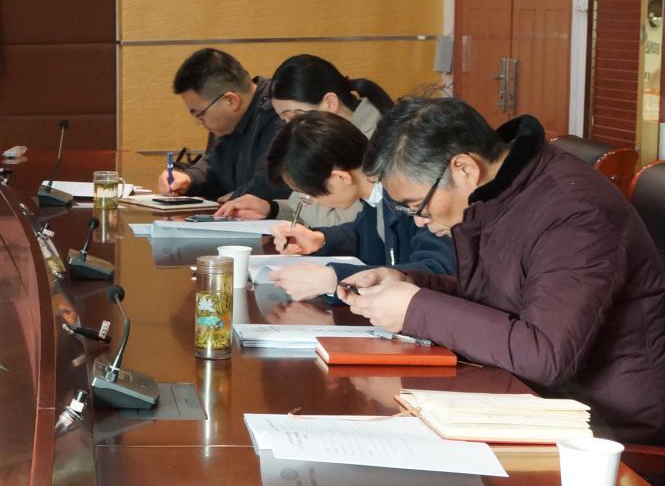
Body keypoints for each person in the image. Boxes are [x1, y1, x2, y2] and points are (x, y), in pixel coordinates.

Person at [341, 97, 665, 444]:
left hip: (599, 438)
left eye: (417, 205)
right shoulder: (501, 197)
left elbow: (545, 355)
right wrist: (412, 284)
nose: (420, 221)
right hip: (521, 405)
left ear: (464, 169)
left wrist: (415, 308)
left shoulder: (575, 215)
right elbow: (501, 297)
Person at [262, 110, 452, 301]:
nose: (314, 201)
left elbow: (438, 269)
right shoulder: (374, 193)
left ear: (340, 177)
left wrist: (335, 279)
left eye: (310, 193)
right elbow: (366, 235)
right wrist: (320, 239)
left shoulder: (413, 198)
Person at [221, 54, 401, 225]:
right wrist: (272, 208)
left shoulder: (378, 143)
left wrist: (300, 196)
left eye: (296, 115)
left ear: (330, 103)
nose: (291, 126)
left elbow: (344, 221)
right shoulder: (341, 135)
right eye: (284, 119)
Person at [157, 48, 288, 205]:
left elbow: (270, 186)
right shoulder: (227, 121)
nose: (198, 122)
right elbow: (215, 166)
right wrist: (189, 178)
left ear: (230, 101)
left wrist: (234, 197)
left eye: (199, 113)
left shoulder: (281, 112)